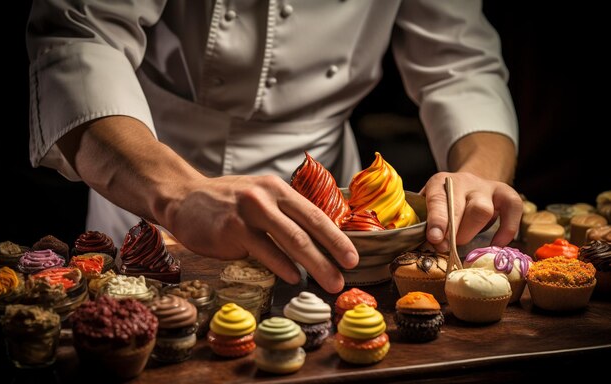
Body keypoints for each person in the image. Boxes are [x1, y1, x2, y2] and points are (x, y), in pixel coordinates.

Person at [26, 1, 522, 294]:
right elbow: (78, 36)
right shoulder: (162, 187)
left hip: (337, 213)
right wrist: (176, 193)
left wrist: (478, 173)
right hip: (148, 175)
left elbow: (462, 63)